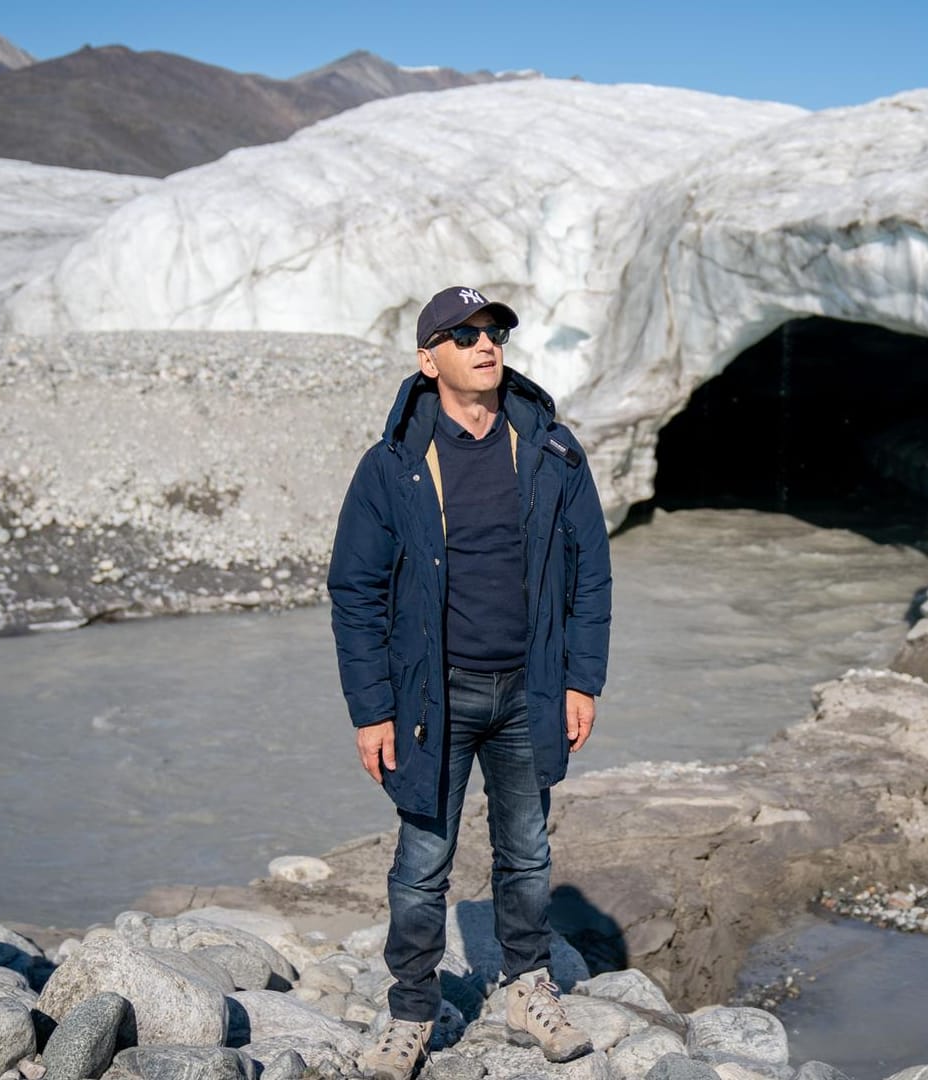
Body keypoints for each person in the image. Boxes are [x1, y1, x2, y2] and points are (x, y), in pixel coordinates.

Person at [328, 286, 613, 1077]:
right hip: (432, 697)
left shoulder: (551, 450)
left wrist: (582, 680)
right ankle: (412, 1013)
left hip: (532, 688)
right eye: (464, 335)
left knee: (526, 851)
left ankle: (527, 986)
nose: (485, 344)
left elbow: (591, 572)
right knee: (424, 860)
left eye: (494, 332)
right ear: (430, 359)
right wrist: (371, 708)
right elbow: (354, 590)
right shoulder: (392, 466)